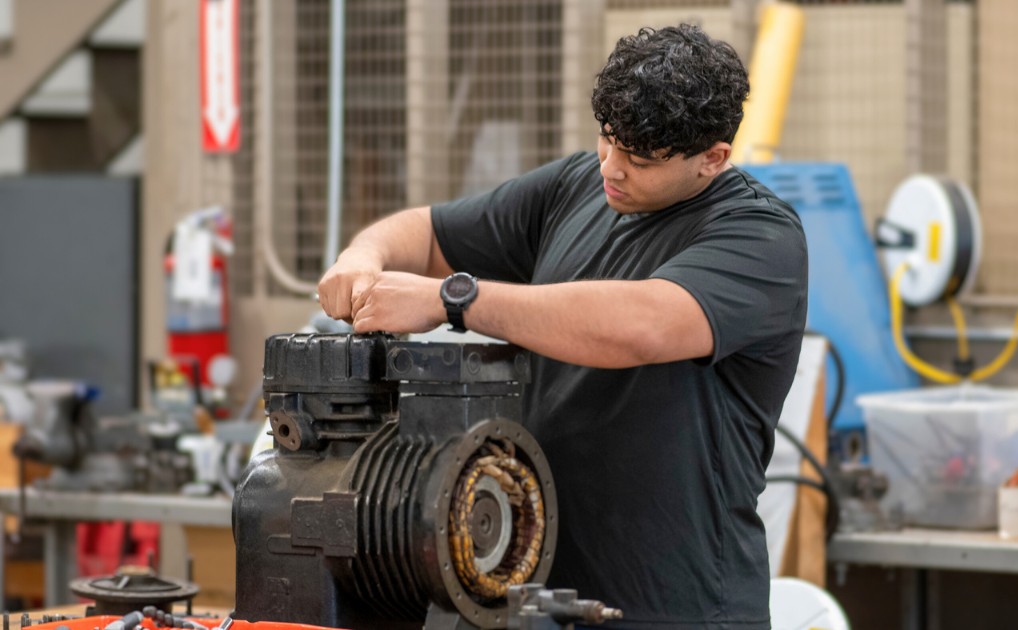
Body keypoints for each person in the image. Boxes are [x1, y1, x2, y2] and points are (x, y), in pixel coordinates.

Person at [318, 24, 808, 629]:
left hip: (680, 606)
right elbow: (425, 232)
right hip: (536, 596)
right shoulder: (575, 187)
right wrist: (362, 259)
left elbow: (639, 326)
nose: (614, 168)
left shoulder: (760, 237)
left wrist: (454, 299)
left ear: (713, 158)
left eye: (640, 159)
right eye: (607, 140)